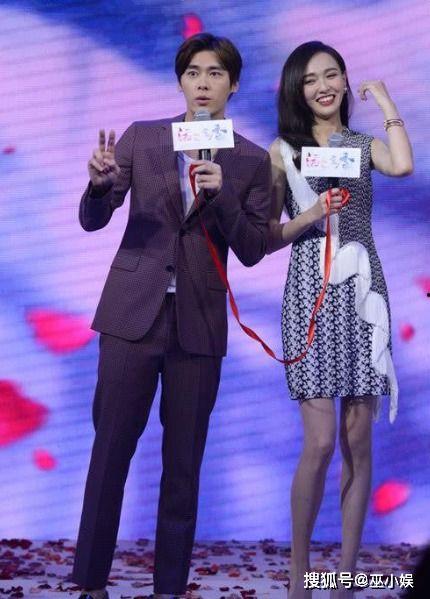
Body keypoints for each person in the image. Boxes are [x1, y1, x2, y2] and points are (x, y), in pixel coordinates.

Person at [71, 33, 271, 599]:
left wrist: (222, 195)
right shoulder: (143, 137)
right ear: (180, 81)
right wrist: (98, 187)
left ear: (234, 84)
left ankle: (168, 588)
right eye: (193, 72)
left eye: (215, 73)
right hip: (130, 316)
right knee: (110, 452)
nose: (203, 83)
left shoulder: (252, 160)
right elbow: (94, 219)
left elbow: (253, 247)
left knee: (183, 464)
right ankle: (90, 582)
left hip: (198, 324)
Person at [267, 41, 413, 598]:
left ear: (346, 82)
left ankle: (345, 576)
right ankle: (300, 573)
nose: (323, 86)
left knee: (357, 438)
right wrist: (311, 213)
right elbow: (268, 235)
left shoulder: (361, 145)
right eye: (310, 80)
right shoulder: (284, 151)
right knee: (322, 442)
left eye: (332, 75)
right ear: (296, 90)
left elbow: (402, 164)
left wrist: (386, 102)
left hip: (363, 294)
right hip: (309, 293)